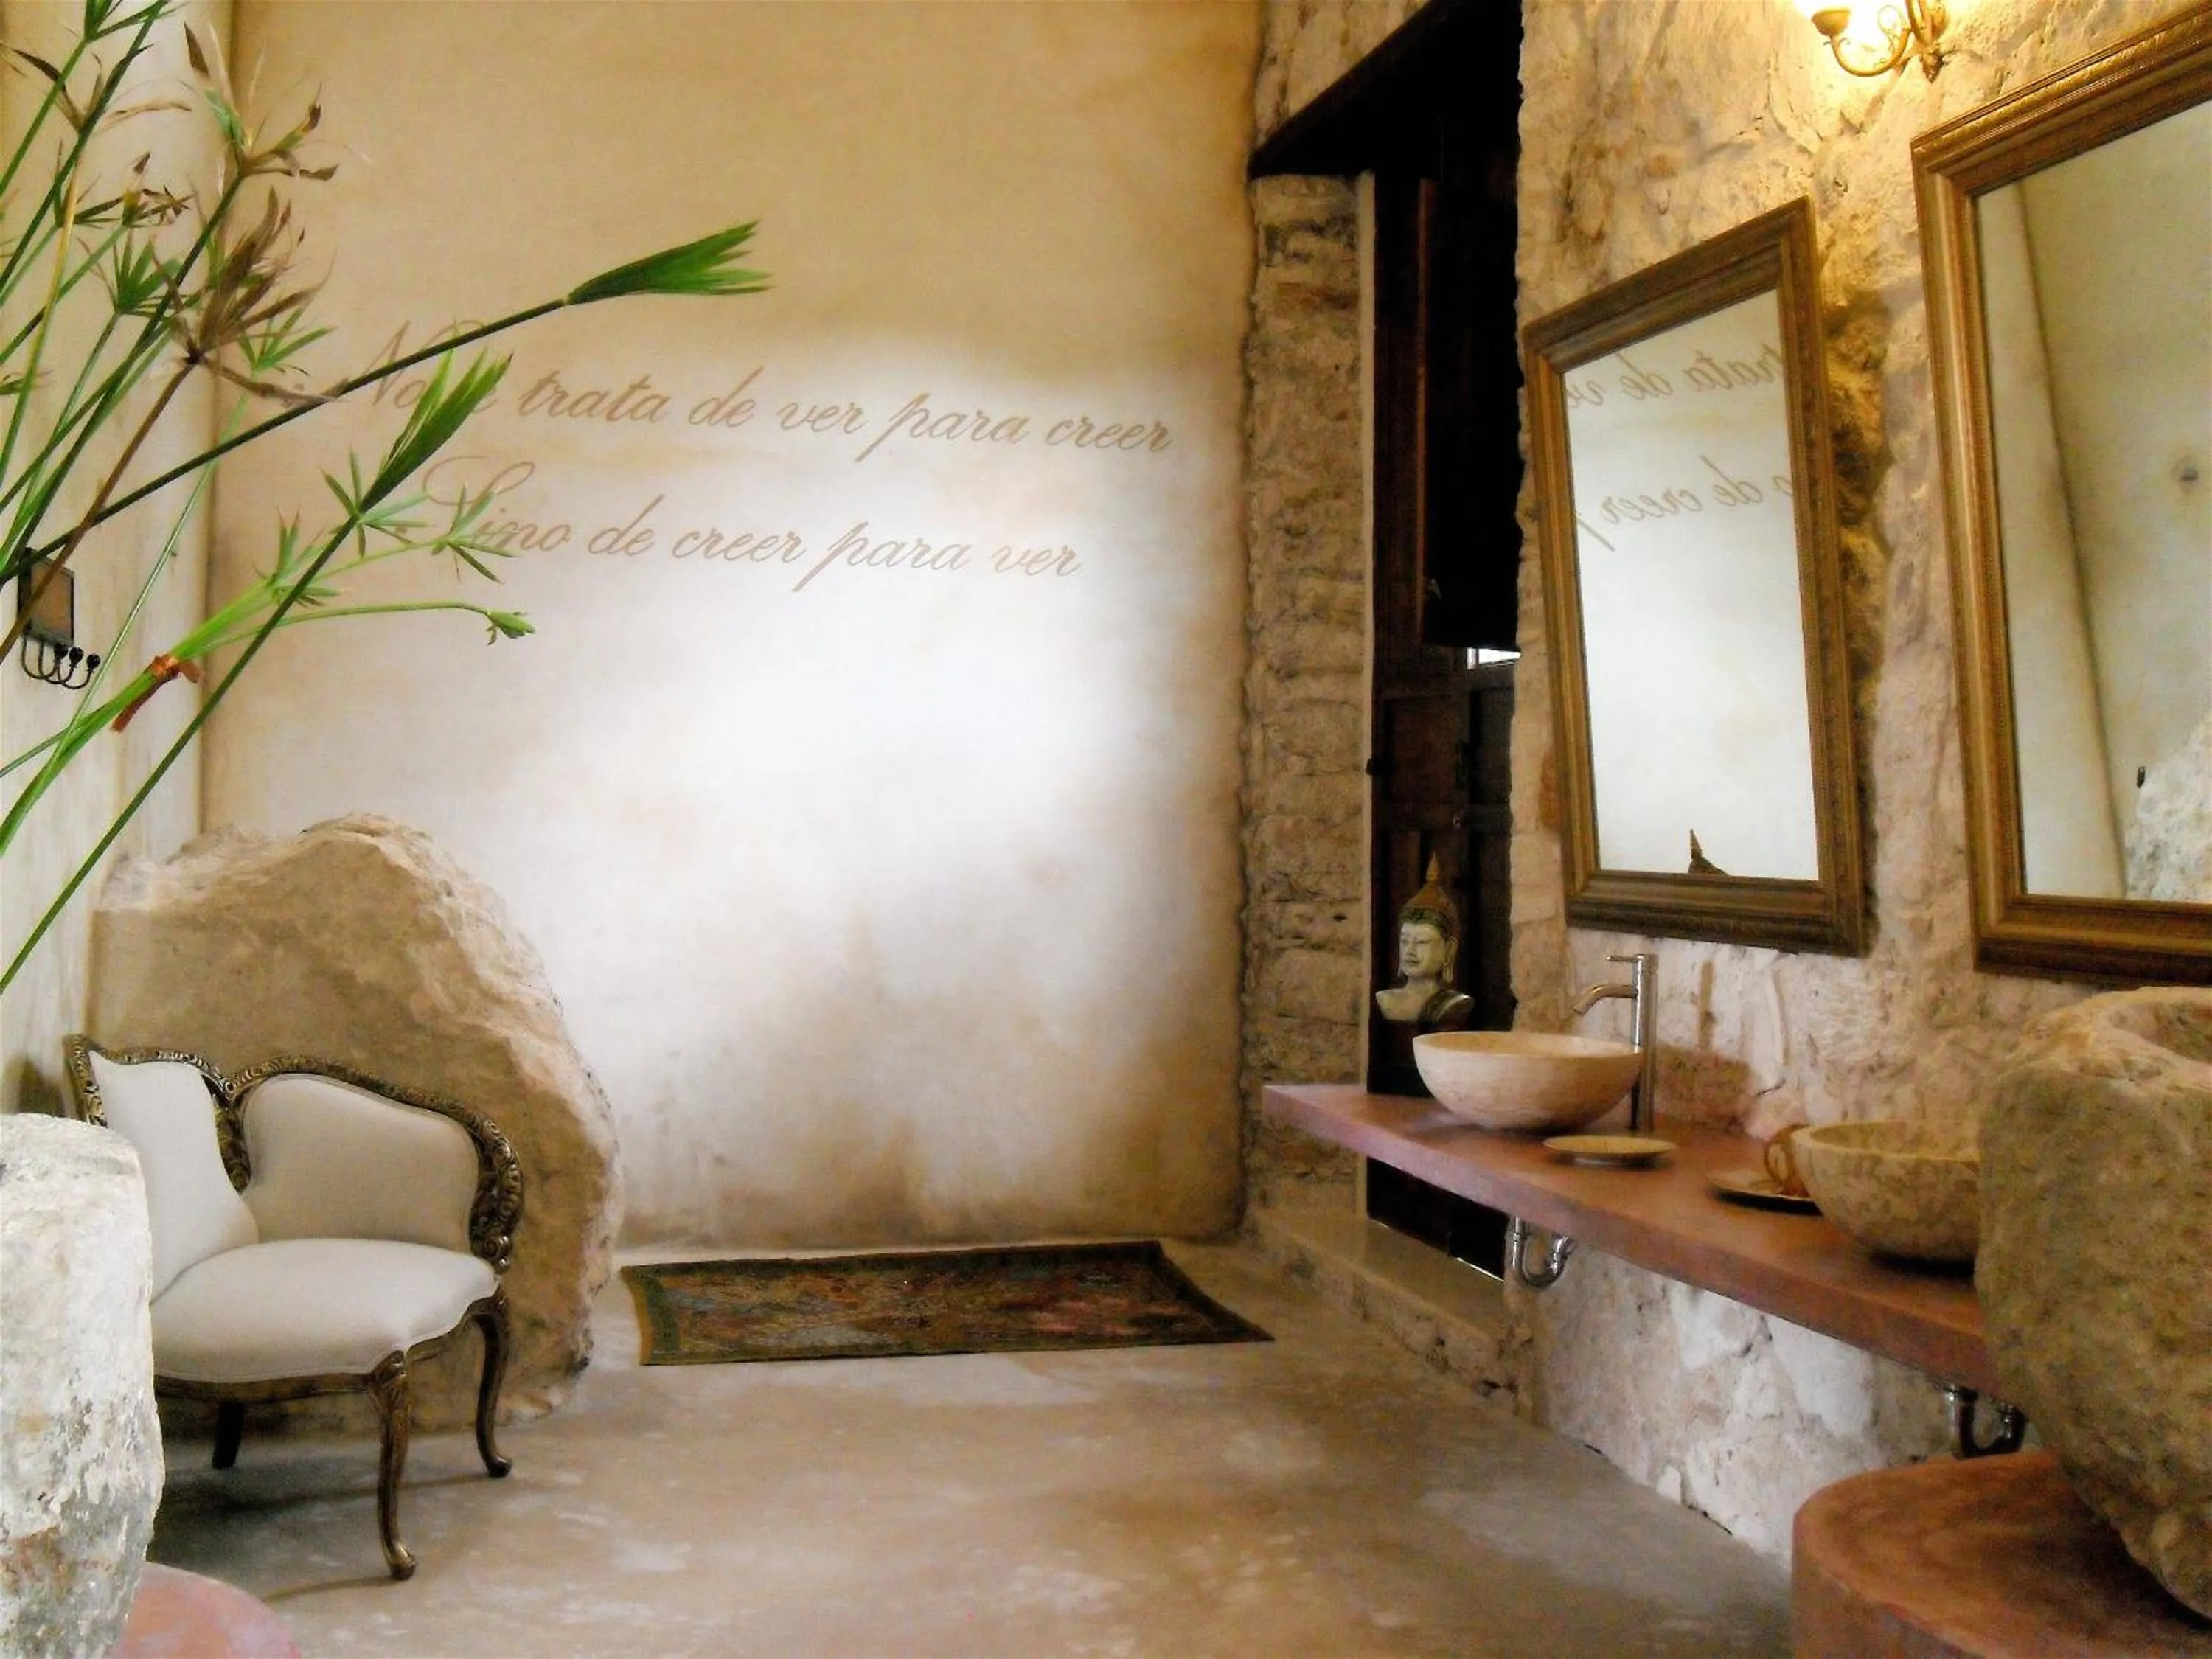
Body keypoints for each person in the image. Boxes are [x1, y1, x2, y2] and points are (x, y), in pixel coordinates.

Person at [1375, 858, 1475, 1029]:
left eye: (1422, 942)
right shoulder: (1384, 1000)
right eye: (1405, 941)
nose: (1410, 951)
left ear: (1449, 949)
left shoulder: (1453, 1004)